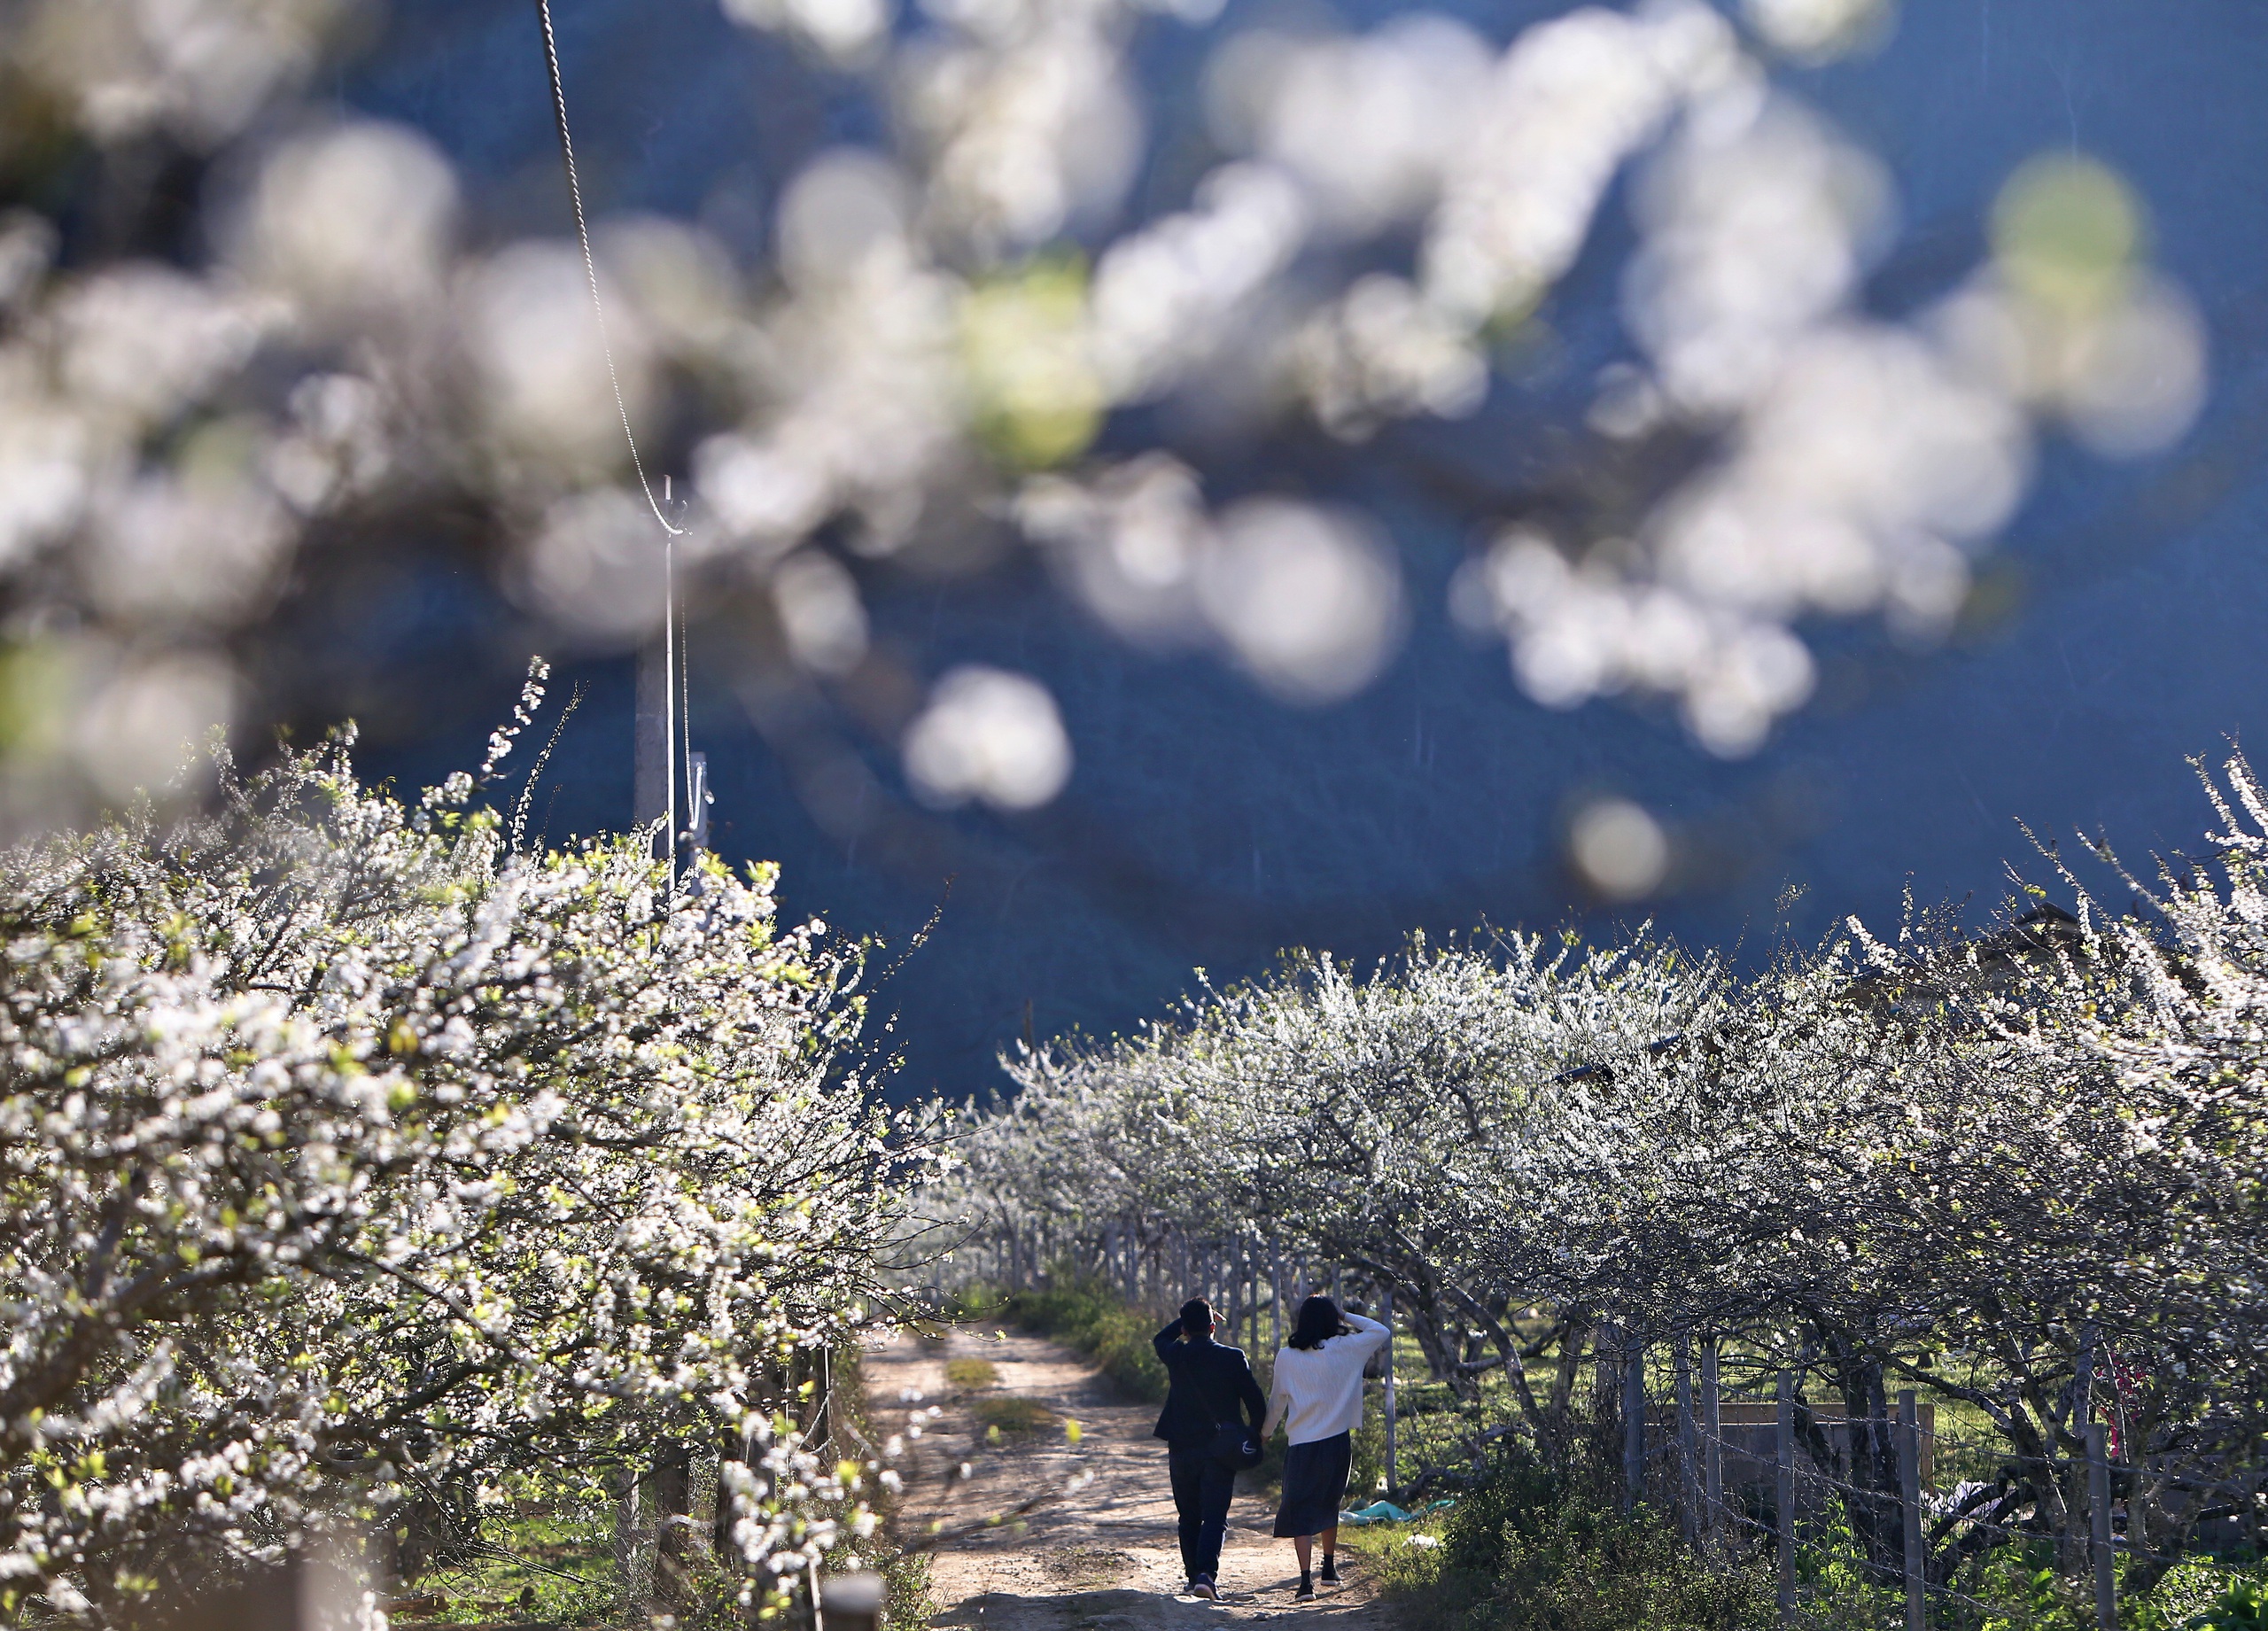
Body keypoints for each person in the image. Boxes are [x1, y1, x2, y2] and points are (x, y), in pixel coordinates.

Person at [1259, 1293, 1392, 1600]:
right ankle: (1329, 1567)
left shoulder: (1287, 1356)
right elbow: (1381, 1332)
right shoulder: (1348, 1348)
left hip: (1302, 1444)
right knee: (1328, 1503)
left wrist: (1265, 1432)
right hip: (1336, 1443)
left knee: (1300, 1510)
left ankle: (1305, 1583)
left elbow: (1277, 1400)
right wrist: (1345, 1315)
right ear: (1332, 1320)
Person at [1152, 1296, 1267, 1600]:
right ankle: (1206, 1575)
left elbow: (1160, 1337)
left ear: (1186, 1330)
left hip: (1181, 1447)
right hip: (1221, 1449)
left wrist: (1187, 1321)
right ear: (1214, 1326)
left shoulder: (1176, 1354)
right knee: (1215, 1515)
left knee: (1188, 1515)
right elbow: (1255, 1401)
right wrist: (1255, 1436)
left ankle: (1192, 1578)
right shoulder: (1233, 1357)